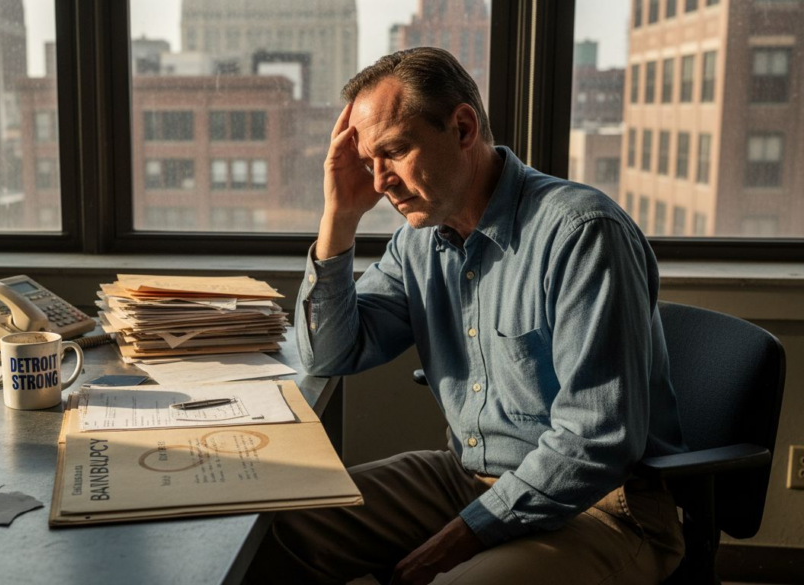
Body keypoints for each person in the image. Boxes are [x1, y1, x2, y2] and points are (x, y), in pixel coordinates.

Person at [245, 47, 688, 584]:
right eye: (369, 162)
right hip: (466, 478)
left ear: (461, 127)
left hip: (601, 509)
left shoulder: (581, 234)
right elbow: (332, 352)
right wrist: (338, 219)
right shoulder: (419, 243)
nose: (380, 180)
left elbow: (596, 441)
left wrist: (463, 534)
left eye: (395, 150)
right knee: (271, 533)